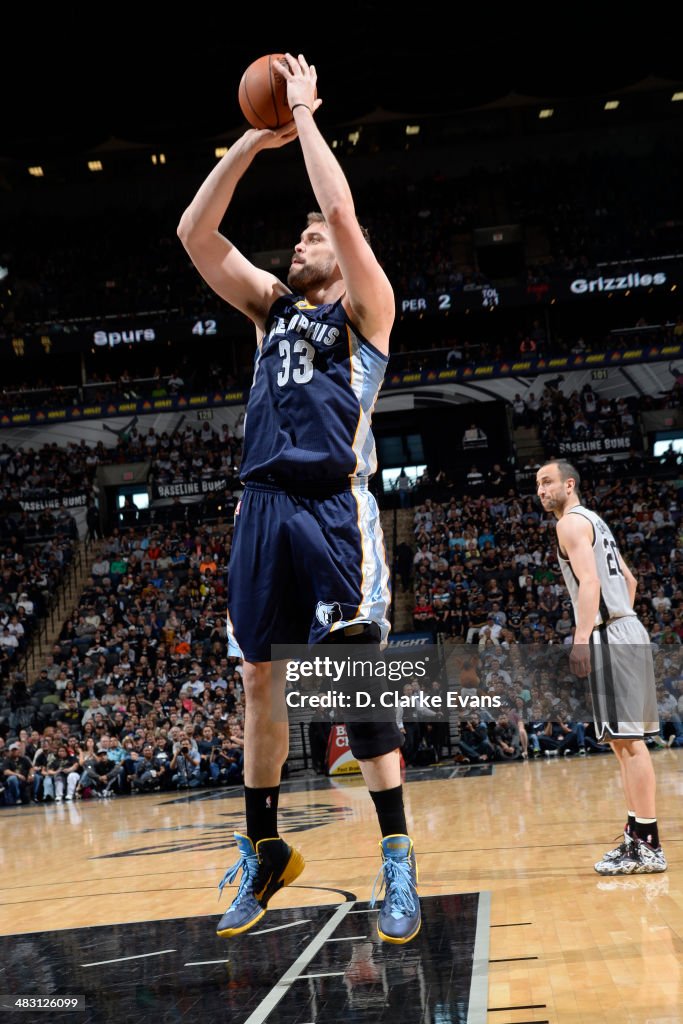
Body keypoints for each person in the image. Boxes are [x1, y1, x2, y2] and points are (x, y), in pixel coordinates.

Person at [177, 53, 419, 944]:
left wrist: (308, 117)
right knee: (257, 680)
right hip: (261, 508)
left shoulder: (366, 312)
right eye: (303, 236)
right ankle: (267, 848)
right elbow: (195, 234)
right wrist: (252, 137)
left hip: (329, 504)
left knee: (354, 673)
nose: (303, 239)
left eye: (312, 237)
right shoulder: (271, 310)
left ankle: (396, 858)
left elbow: (344, 212)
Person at [536, 460, 666, 874]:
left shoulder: (570, 523)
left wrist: (582, 639)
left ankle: (648, 845)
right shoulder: (595, 522)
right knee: (621, 743)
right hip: (623, 628)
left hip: (611, 633)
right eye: (537, 484)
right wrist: (621, 617)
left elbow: (591, 583)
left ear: (568, 484)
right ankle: (636, 837)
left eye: (547, 481)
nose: (541, 490)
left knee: (630, 743)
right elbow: (629, 581)